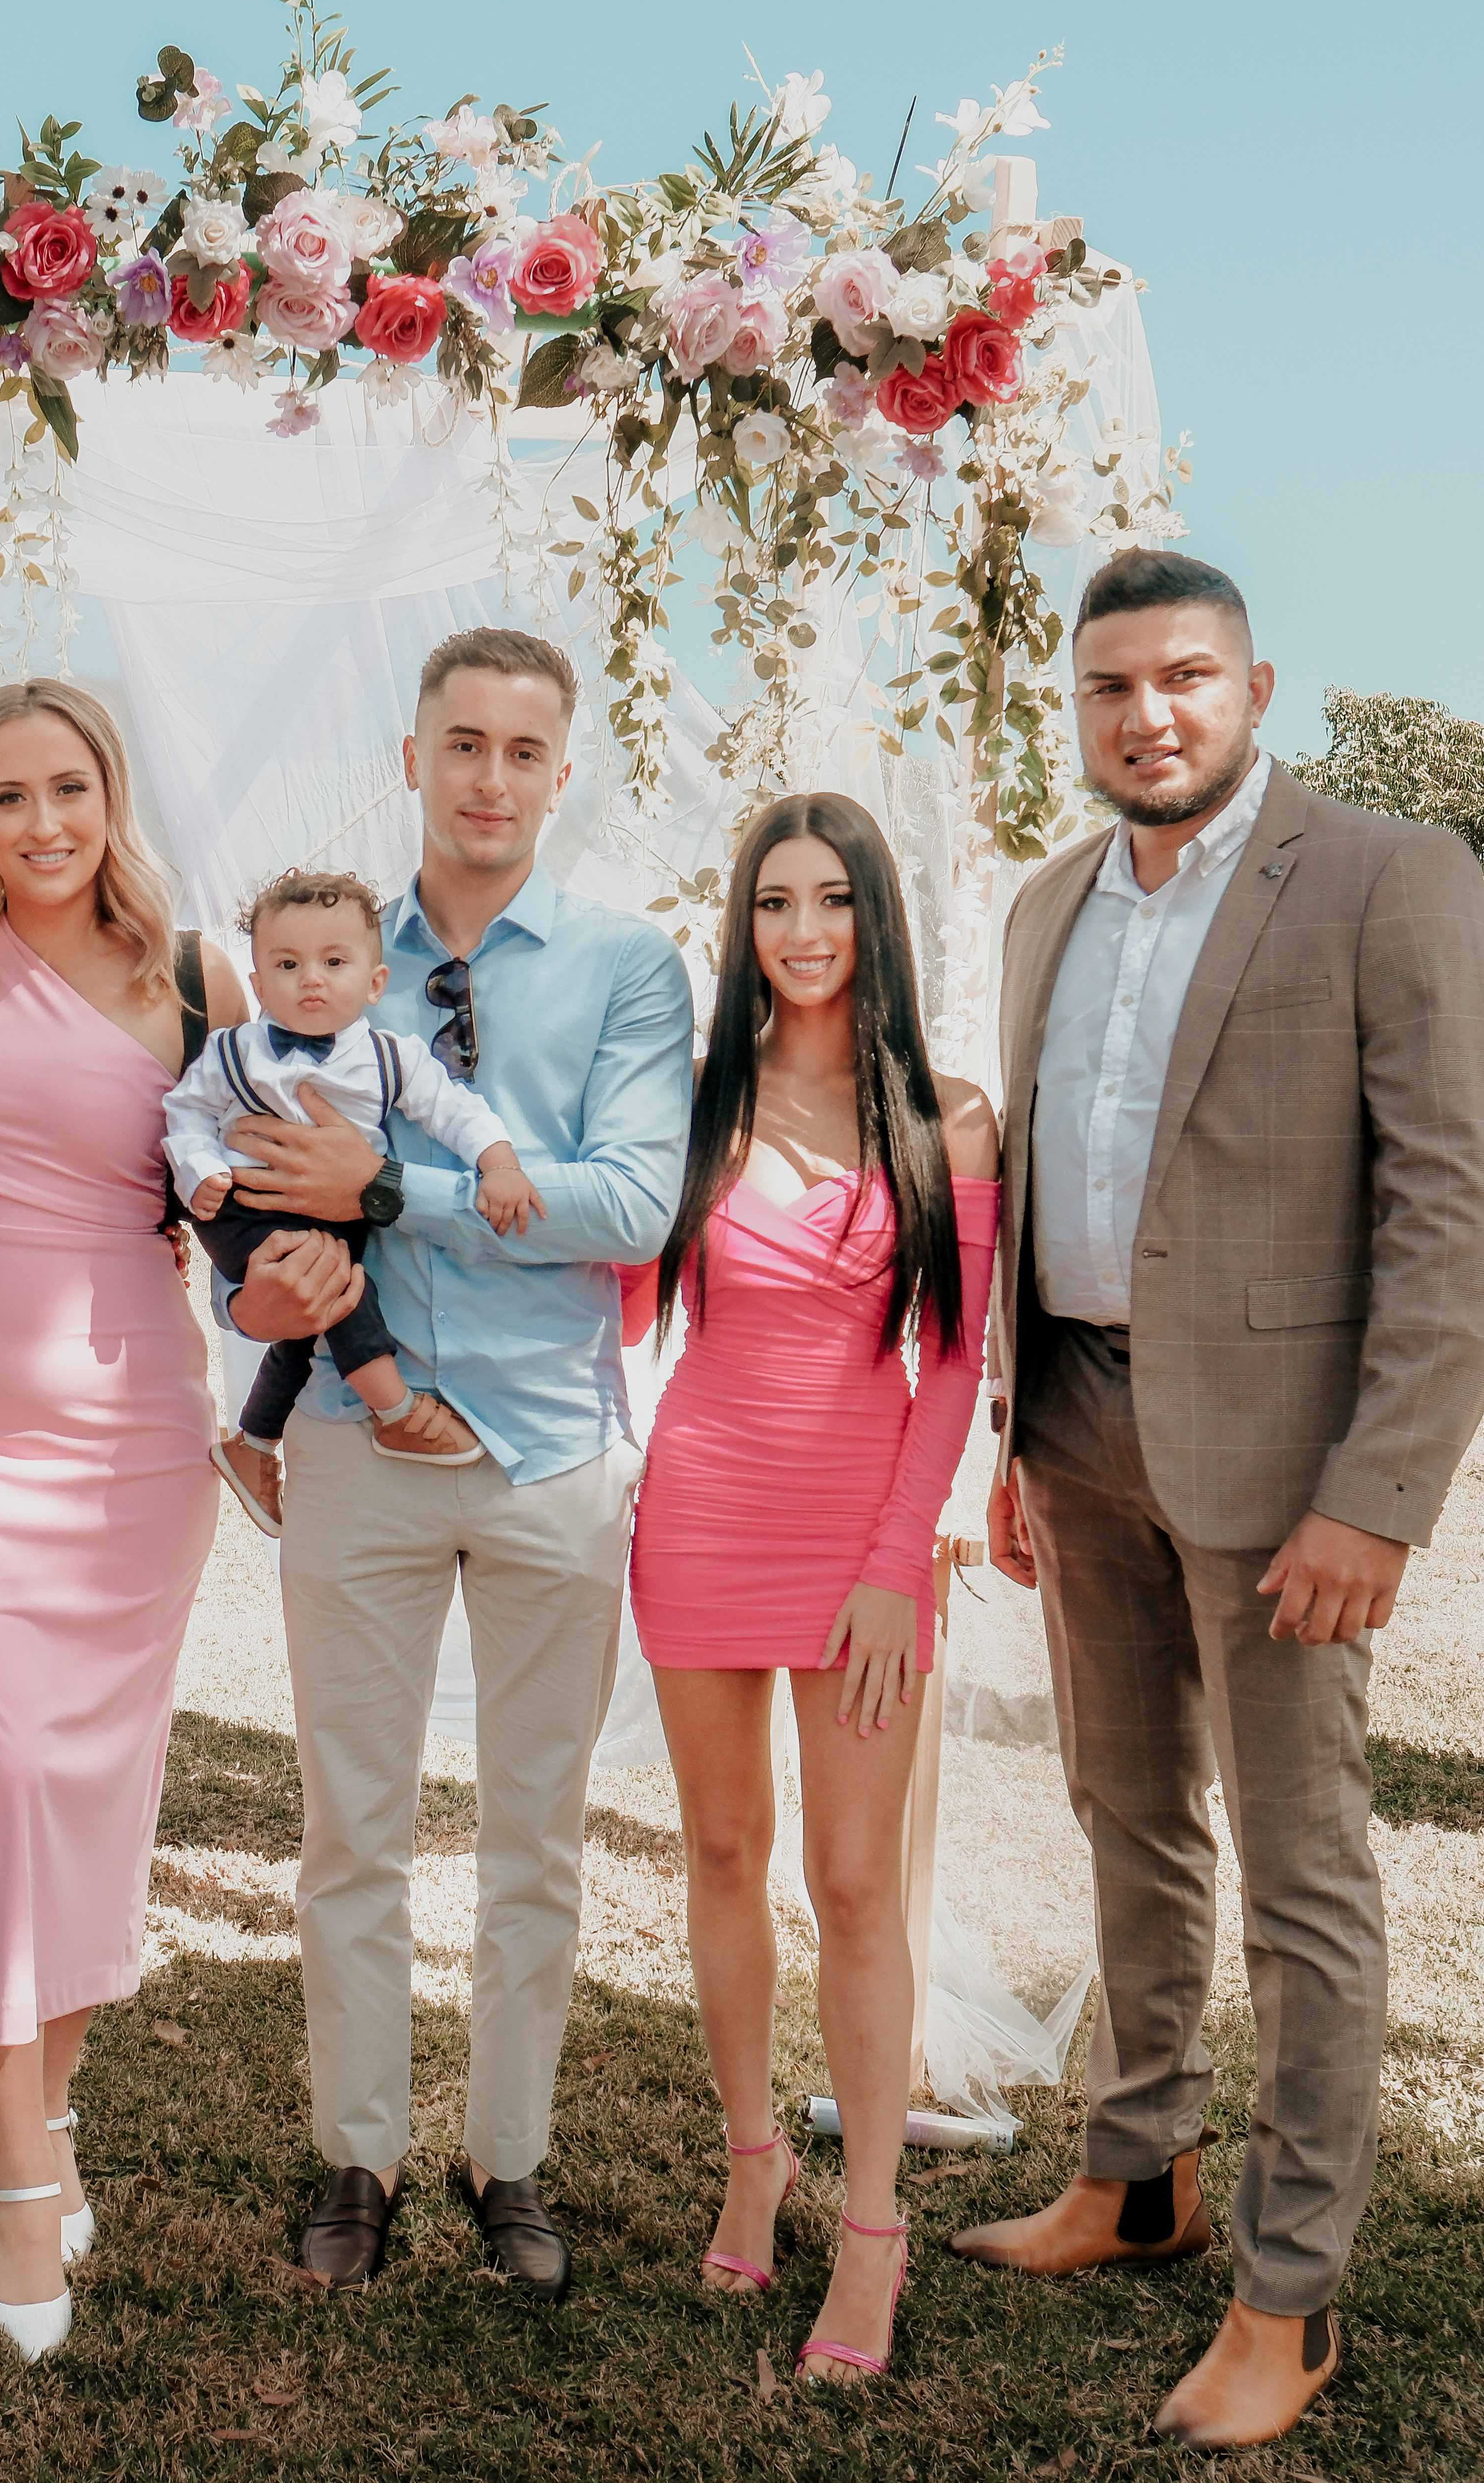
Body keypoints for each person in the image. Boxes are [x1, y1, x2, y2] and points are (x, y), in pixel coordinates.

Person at [954, 550, 1484, 2447]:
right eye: (1112, 686)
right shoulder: (1047, 905)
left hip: (1287, 1473)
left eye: (1186, 678)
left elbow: (1459, 1204)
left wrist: (1381, 1493)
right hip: (1078, 1428)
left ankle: (1290, 2294)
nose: (1150, 717)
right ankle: (1139, 2179)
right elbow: (1047, 1180)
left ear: (1257, 689)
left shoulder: (1386, 877)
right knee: (1124, 1816)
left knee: (1301, 1878)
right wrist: (1018, 1440)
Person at [215, 627, 693, 2300]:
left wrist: (389, 1192)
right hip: (357, 1445)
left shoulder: (628, 967)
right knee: (351, 1825)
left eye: (523, 749)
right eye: (463, 744)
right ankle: (358, 2152)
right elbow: (248, 1176)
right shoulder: (322, 958)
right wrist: (266, 1272)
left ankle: (510, 2156)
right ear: (412, 759)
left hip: (553, 1450)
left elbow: (631, 1203)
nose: (491, 777)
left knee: (533, 1836)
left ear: (561, 772)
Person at [0, 679, 253, 2362]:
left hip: (132, 1438)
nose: (41, 824)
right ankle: (21, 2174)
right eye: (6, 796)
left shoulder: (196, 979)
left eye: (67, 789)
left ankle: (53, 2115)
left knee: (91, 1787)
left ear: (110, 797)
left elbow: (250, 1198)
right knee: (4, 1772)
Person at [629, 793, 1001, 2383]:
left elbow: (954, 1360)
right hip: (698, 1511)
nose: (800, 930)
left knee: (852, 1882)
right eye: (772, 902)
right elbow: (614, 1291)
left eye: (831, 899)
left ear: (873, 921)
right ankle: (748, 2156)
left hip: (861, 1538)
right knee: (722, 1850)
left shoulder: (948, 1117)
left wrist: (895, 1564)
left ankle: (871, 2229)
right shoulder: (690, 1107)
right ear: (742, 927)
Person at [165, 866, 541, 1530]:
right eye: (287, 964)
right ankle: (395, 1411)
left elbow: (455, 1110)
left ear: (375, 982)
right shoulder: (233, 1052)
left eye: (333, 962)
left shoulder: (392, 1058)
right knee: (340, 1289)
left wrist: (500, 1164)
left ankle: (253, 1444)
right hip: (244, 1205)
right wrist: (201, 1169)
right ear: (258, 985)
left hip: (339, 1212)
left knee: (307, 1322)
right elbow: (186, 1112)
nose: (311, 979)